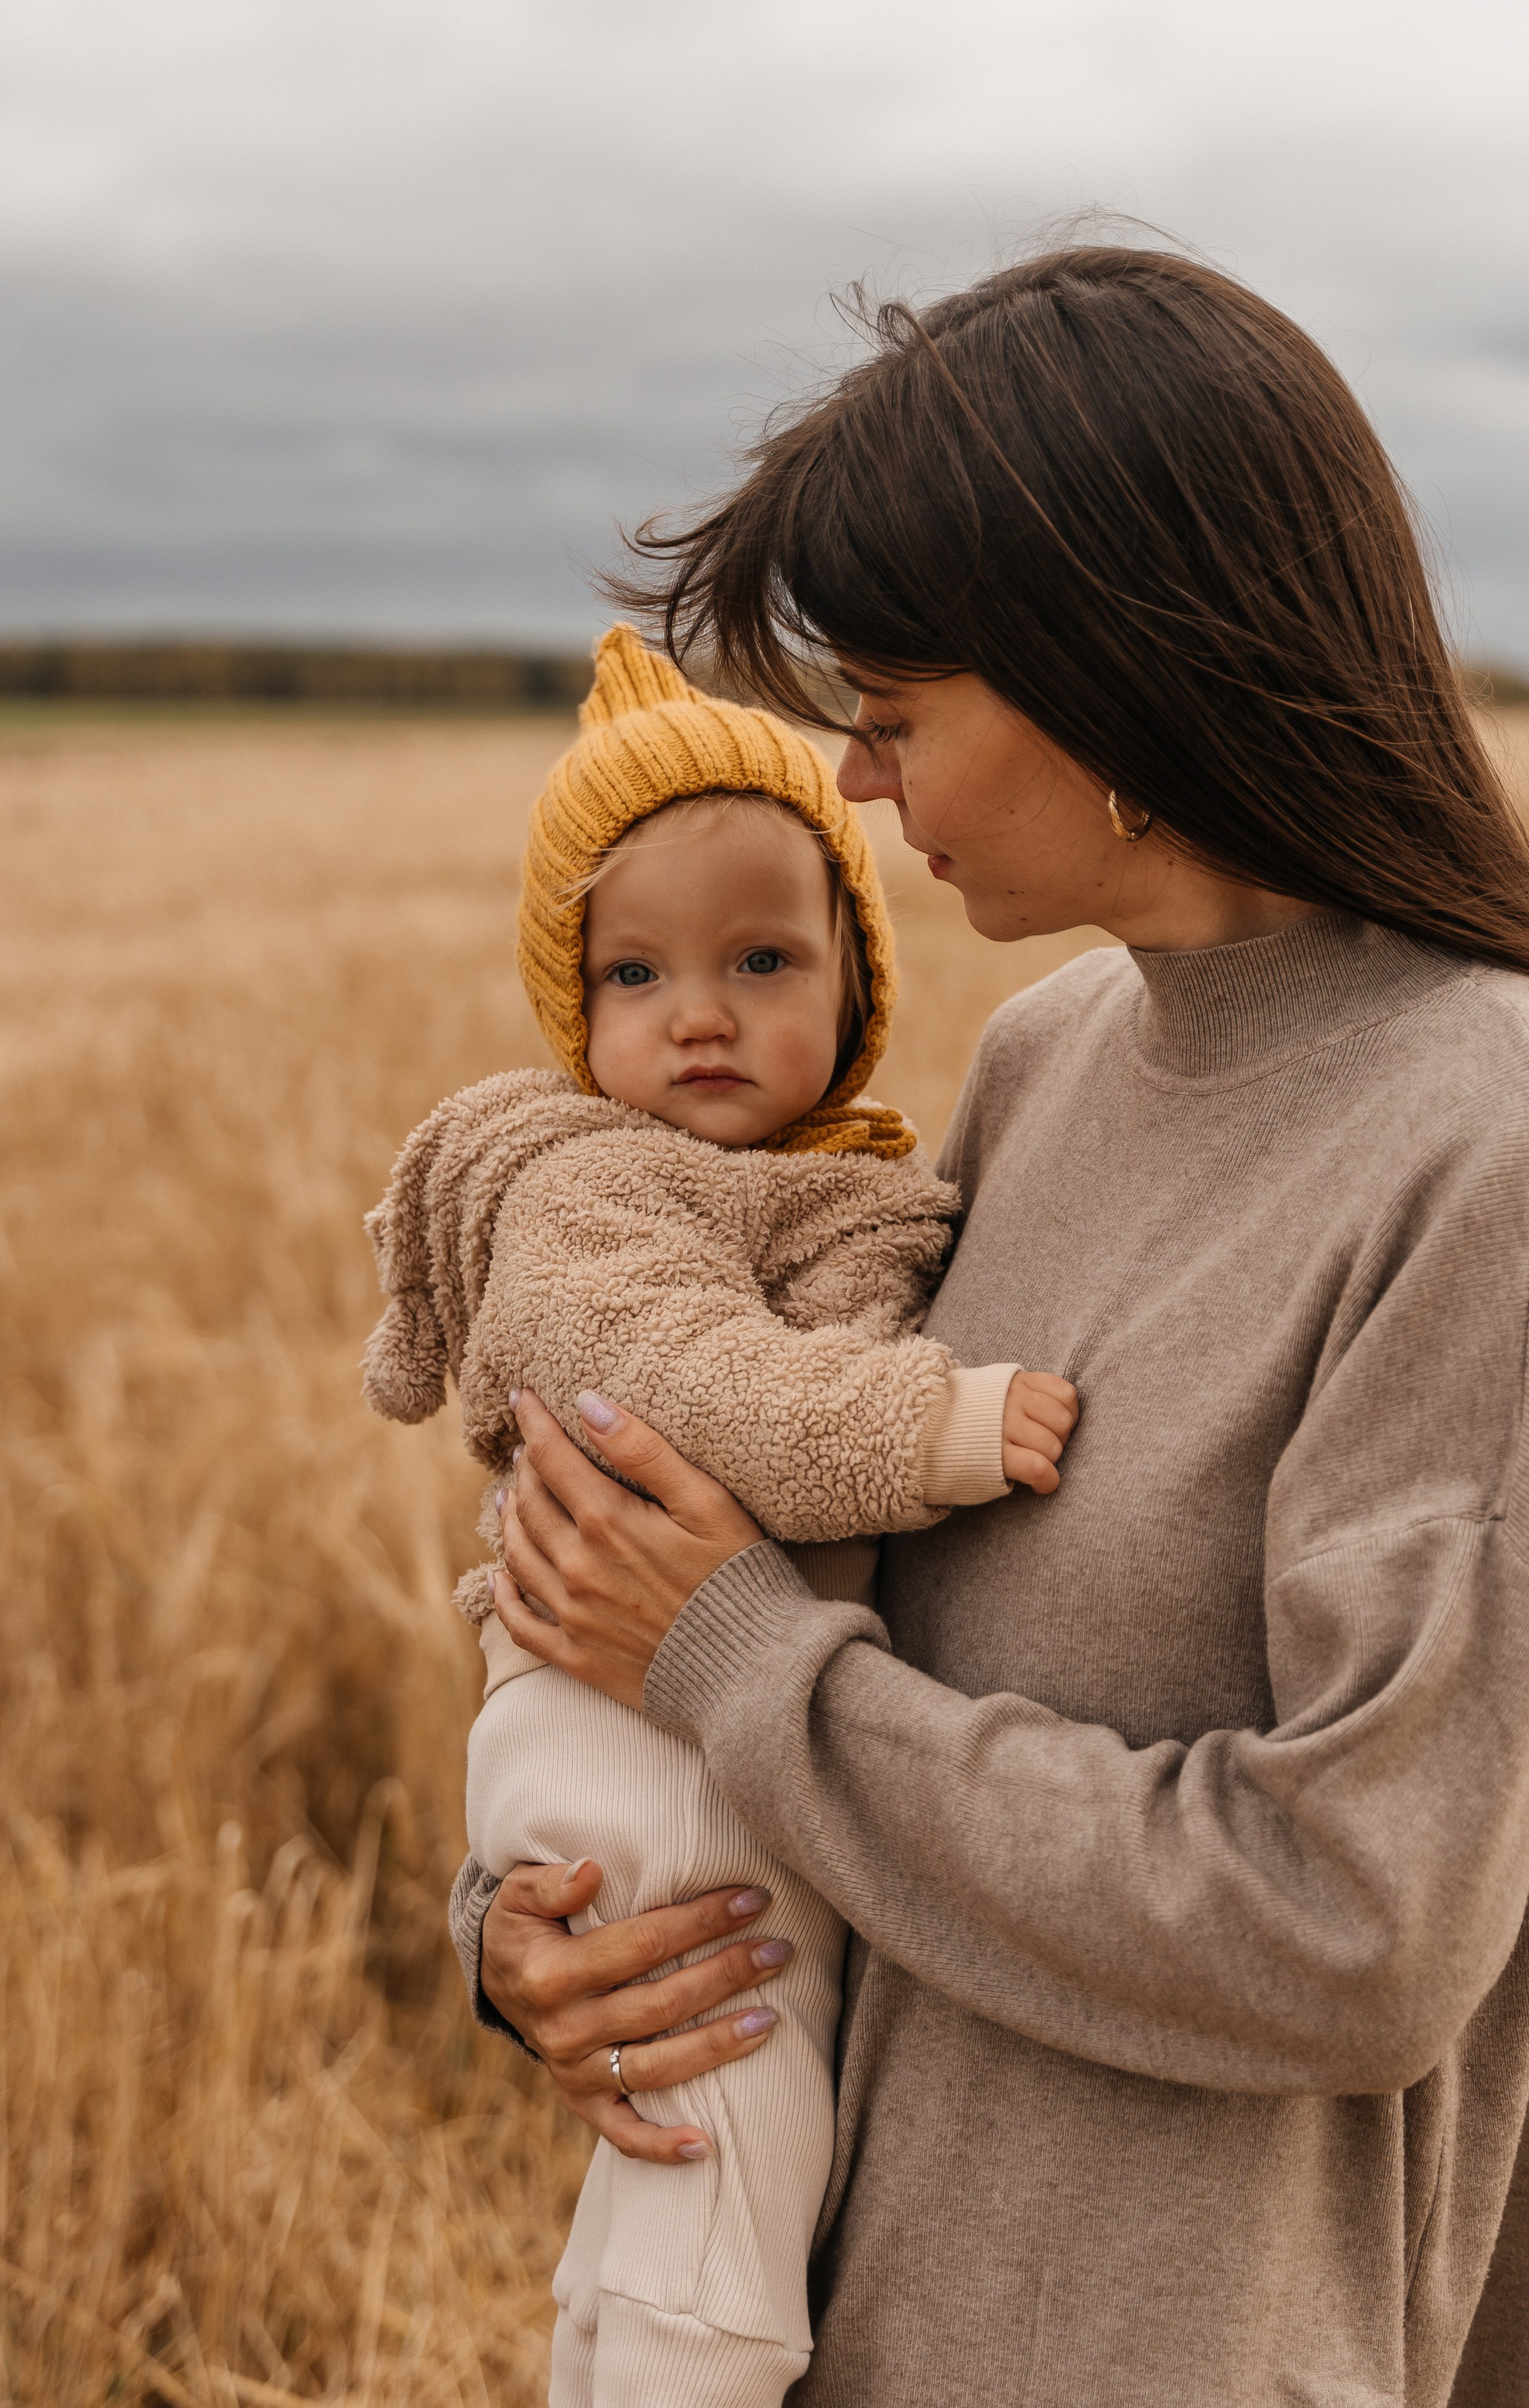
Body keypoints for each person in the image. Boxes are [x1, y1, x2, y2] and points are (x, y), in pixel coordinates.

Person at [451, 246, 1529, 2405]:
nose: (854, 783)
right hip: (829, 2326)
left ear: (1110, 686)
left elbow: (1356, 1927)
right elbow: (825, 1615)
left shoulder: (1479, 1140)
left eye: (897, 713)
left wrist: (735, 1659)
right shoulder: (1044, 1058)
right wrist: (542, 1936)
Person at [364, 623, 1076, 2405]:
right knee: (729, 2139)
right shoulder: (594, 1192)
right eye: (636, 977)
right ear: (571, 1003)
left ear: (854, 978)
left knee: (652, 2191)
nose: (697, 1016)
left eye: (760, 959)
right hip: (648, 1734)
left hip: (686, 1721)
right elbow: (704, 1395)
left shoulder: (841, 1181)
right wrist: (949, 1422)